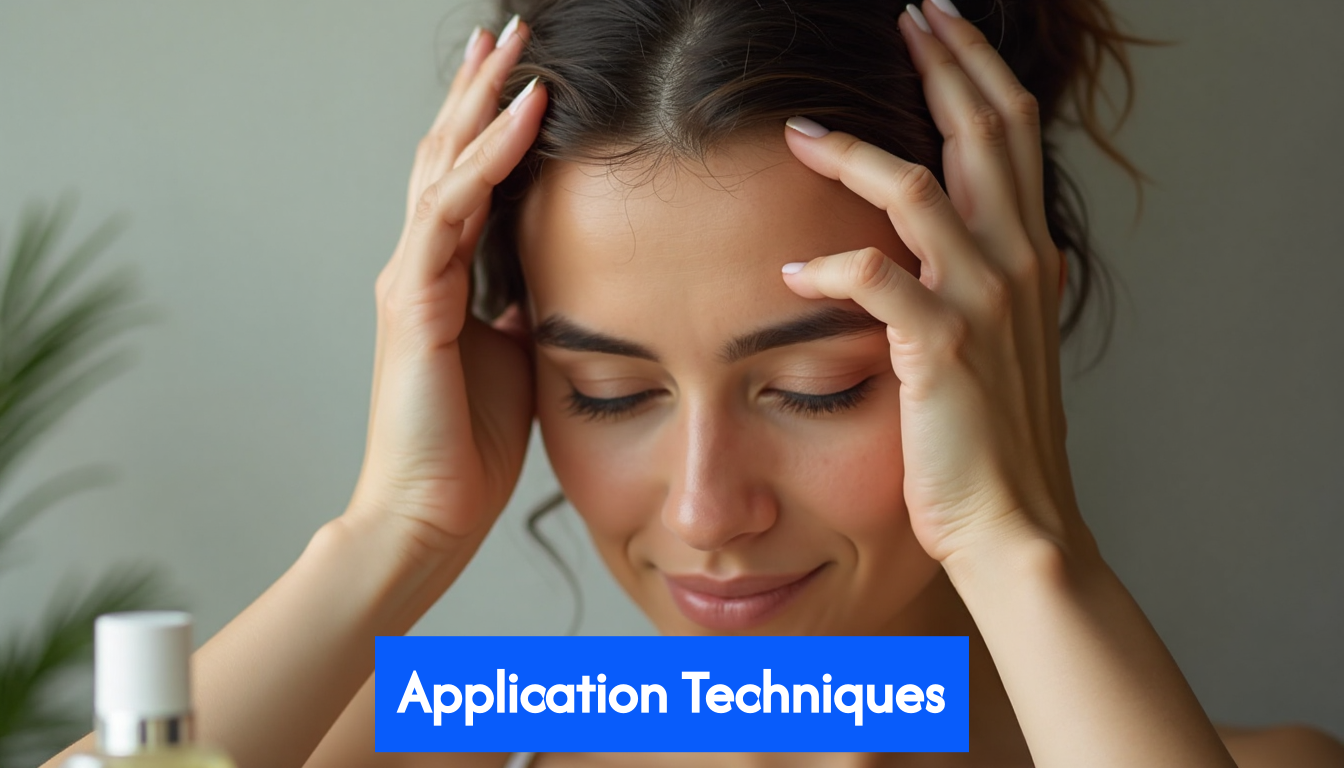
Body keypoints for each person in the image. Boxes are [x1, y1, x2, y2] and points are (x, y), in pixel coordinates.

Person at [43, 0, 1344, 766]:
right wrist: (389, 535)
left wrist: (1021, 546)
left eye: (819, 385)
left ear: (992, 334)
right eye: (609, 394)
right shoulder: (467, 725)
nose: (709, 513)